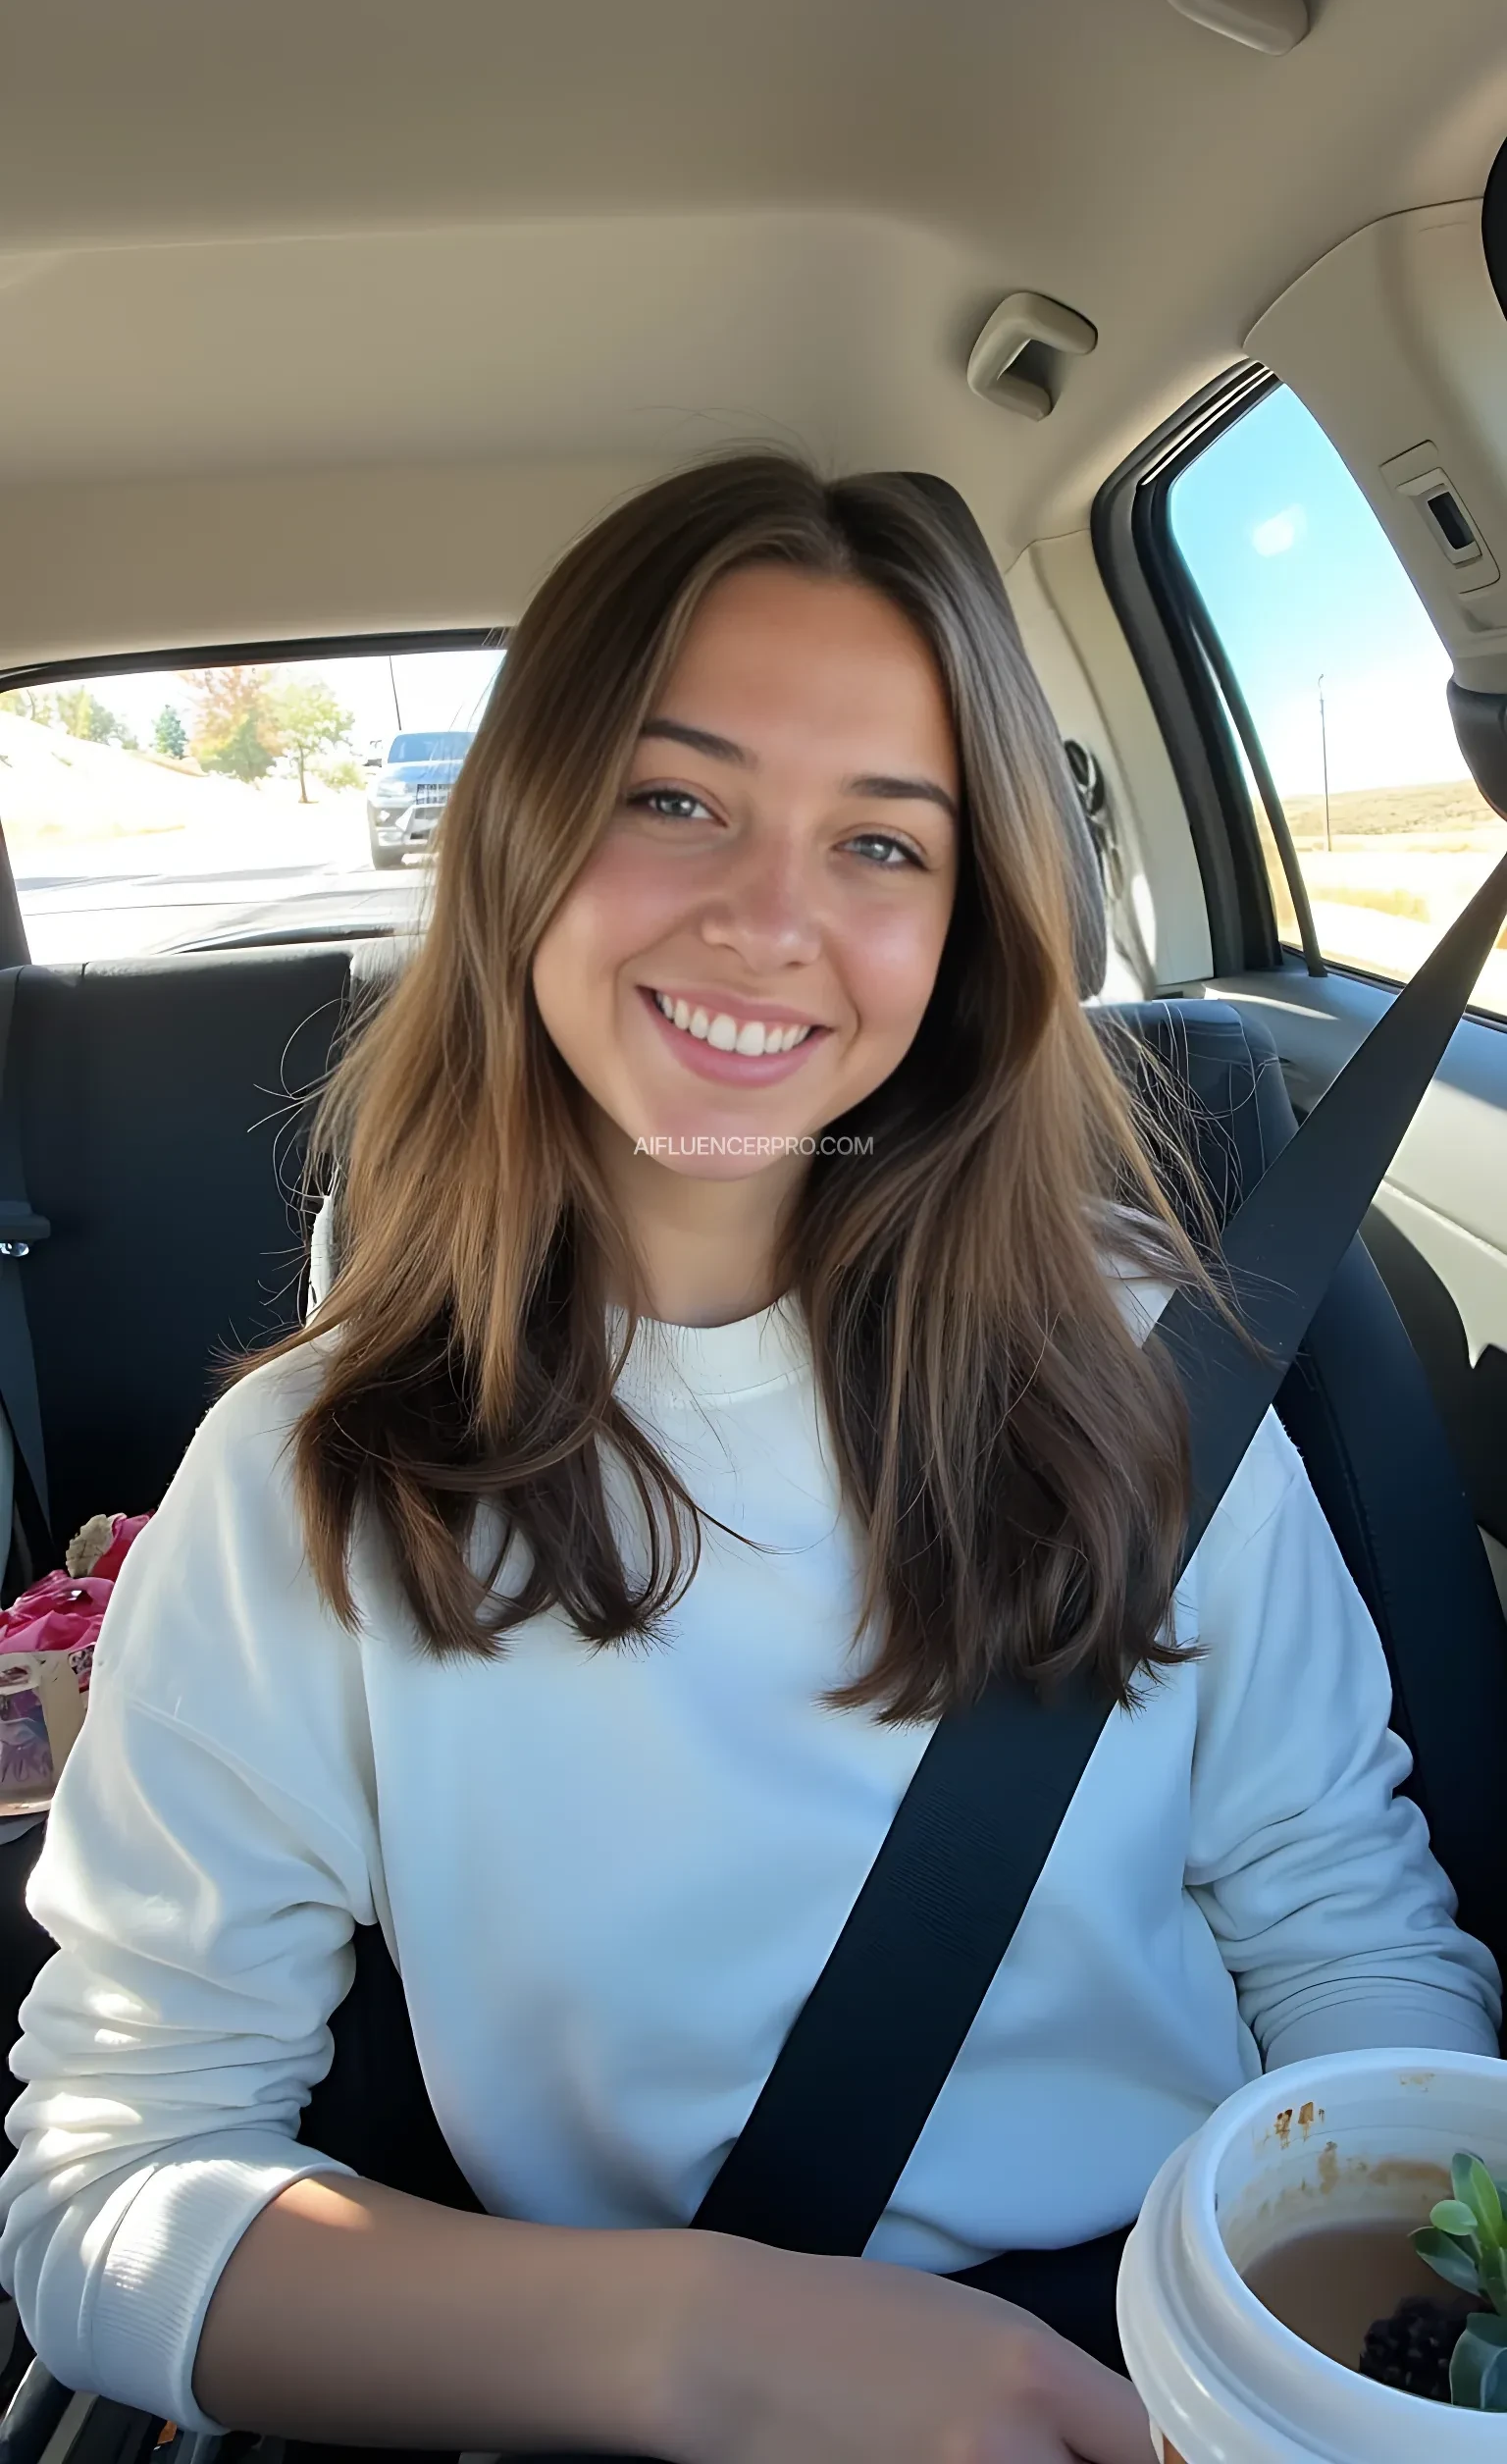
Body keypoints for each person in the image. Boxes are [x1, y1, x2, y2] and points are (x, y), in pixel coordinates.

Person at [0, 455, 1498, 2464]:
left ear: (967, 922)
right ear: (522, 833)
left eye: (884, 845)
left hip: (1186, 2354)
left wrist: (1371, 2355)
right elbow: (107, 2190)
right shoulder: (305, 1479)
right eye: (675, 797)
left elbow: (1338, 1919)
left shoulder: (1149, 1357)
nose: (768, 921)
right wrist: (697, 2350)